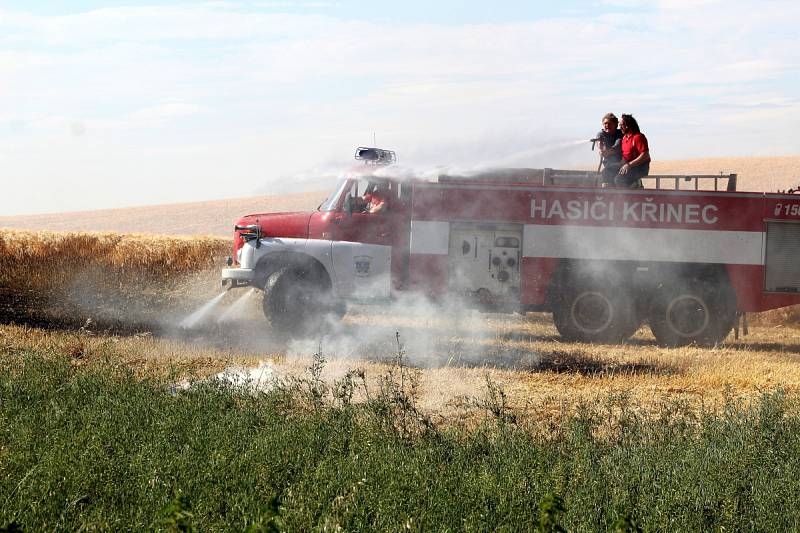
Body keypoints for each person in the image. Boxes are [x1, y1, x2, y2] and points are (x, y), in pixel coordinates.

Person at [616, 114, 650, 188]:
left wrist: (629, 165)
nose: (620, 127)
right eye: (619, 125)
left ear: (628, 125)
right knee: (608, 171)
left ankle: (628, 195)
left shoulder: (638, 137)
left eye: (622, 125)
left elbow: (645, 155)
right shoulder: (624, 139)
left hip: (640, 167)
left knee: (620, 179)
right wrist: (617, 165)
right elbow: (625, 157)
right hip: (629, 166)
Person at [596, 113, 623, 186]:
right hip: (609, 165)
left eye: (609, 123)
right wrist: (601, 149)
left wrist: (608, 152)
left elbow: (618, 145)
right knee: (606, 174)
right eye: (605, 123)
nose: (607, 125)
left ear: (615, 125)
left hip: (622, 164)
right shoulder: (601, 134)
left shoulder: (620, 133)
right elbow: (599, 143)